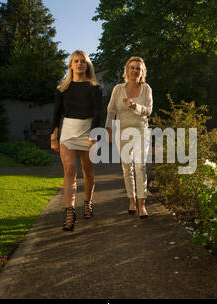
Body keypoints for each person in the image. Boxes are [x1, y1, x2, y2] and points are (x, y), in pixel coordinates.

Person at [51, 50, 103, 231]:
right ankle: (69, 212)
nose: (79, 64)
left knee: (87, 171)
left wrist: (93, 136)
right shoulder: (62, 89)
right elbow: (56, 114)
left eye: (82, 61)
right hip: (69, 132)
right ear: (70, 65)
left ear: (87, 65)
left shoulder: (95, 88)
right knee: (70, 171)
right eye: (76, 61)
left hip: (88, 131)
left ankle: (88, 202)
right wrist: (53, 137)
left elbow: (98, 113)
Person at [105, 56, 153, 219]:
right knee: (127, 168)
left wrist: (135, 106)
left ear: (142, 72)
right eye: (132, 67)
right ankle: (131, 200)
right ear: (127, 70)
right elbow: (111, 110)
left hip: (141, 130)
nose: (135, 70)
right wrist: (108, 129)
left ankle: (142, 205)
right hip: (122, 132)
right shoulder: (118, 89)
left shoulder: (146, 89)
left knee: (140, 167)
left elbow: (149, 110)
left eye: (138, 68)